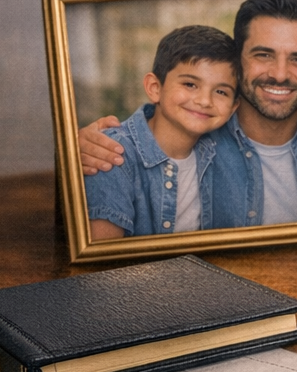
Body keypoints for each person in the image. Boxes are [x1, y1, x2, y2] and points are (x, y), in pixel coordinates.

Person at [79, 0, 297, 227]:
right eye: (263, 55)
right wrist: (74, 153)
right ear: (237, 60)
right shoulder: (196, 132)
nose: (280, 75)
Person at [84, 25, 238, 240]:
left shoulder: (220, 152)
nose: (204, 101)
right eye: (190, 84)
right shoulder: (110, 153)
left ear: (232, 109)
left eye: (221, 91)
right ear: (155, 88)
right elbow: (101, 261)